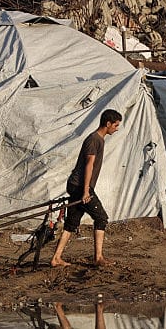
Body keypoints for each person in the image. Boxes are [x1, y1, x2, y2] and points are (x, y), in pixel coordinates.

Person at [50, 109, 122, 268]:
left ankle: (56, 258)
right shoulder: (94, 140)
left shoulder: (99, 140)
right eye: (115, 125)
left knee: (71, 223)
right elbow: (89, 165)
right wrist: (86, 191)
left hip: (78, 185)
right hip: (80, 186)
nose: (116, 129)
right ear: (108, 123)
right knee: (101, 217)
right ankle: (98, 257)